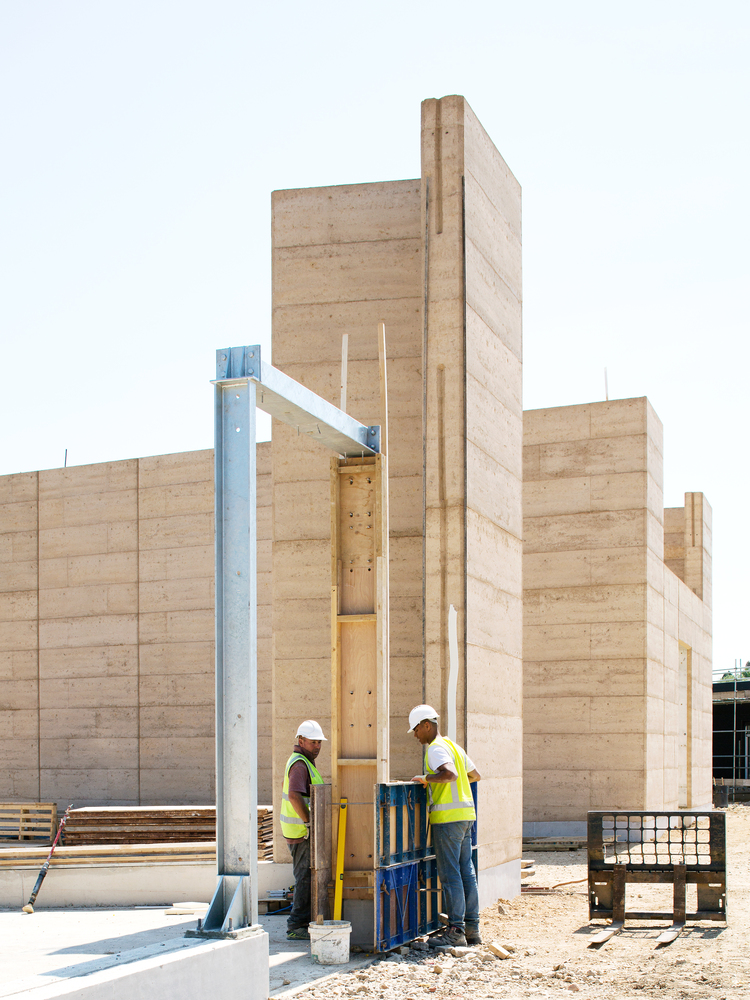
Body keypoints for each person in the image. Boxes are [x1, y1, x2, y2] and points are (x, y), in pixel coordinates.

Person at [409, 704, 481, 947]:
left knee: (451, 876)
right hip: (465, 817)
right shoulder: (454, 747)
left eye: (416, 729)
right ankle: (472, 929)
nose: (416, 735)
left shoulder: (436, 749)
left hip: (448, 820)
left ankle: (456, 931)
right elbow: (475, 775)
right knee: (466, 873)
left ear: (427, 725)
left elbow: (450, 775)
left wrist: (426, 778)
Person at [280, 719, 327, 940]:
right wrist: (309, 821)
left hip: (300, 830)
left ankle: (301, 921)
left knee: (306, 876)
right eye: (313, 742)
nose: (317, 746)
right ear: (301, 740)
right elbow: (294, 796)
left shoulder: (304, 762)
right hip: (300, 832)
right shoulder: (300, 764)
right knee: (304, 878)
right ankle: (296, 925)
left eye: (319, 742)